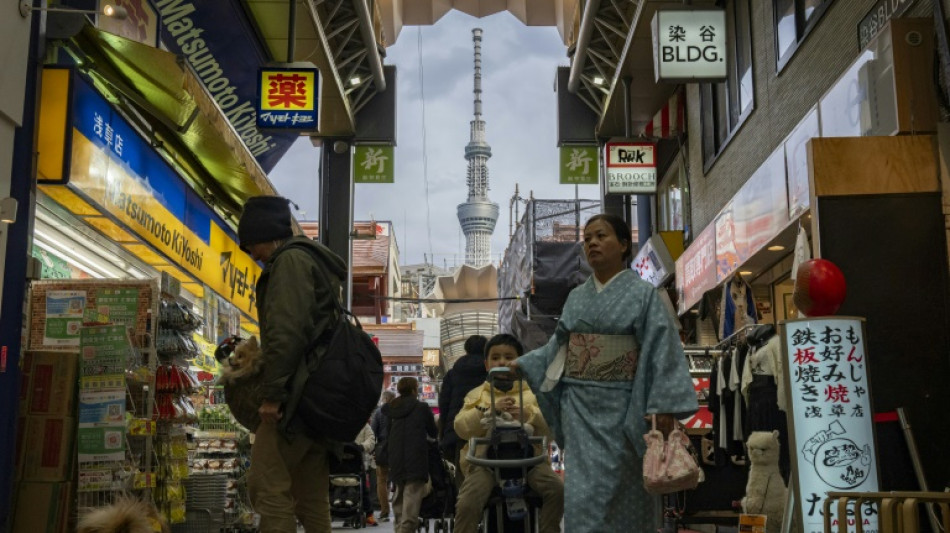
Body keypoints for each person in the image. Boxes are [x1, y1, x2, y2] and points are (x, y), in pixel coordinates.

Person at [510, 214, 698, 532]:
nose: (592, 243)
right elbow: (558, 349)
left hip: (627, 408)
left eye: (601, 236)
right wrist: (523, 363)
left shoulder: (643, 295)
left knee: (628, 493)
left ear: (624, 245)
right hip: (579, 408)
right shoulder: (575, 298)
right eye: (587, 239)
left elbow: (662, 347)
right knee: (583, 498)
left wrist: (662, 405)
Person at [238, 195, 348, 532]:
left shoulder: (290, 263)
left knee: (266, 484)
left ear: (268, 236)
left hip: (296, 398)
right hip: (318, 399)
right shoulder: (313, 262)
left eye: (252, 245)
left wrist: (273, 395)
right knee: (310, 494)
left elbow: (287, 332)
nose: (253, 255)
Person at [453, 334, 564, 533]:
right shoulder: (477, 395)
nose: (502, 362)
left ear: (519, 362)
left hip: (531, 462)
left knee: (557, 491)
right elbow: (461, 427)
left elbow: (553, 428)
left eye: (508, 357)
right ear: (487, 364)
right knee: (467, 503)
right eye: (495, 358)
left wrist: (529, 414)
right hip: (485, 465)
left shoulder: (534, 394)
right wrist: (488, 412)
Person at [384, 377, 438, 533]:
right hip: (416, 457)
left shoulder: (391, 409)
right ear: (414, 390)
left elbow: (388, 434)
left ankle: (399, 528)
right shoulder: (421, 407)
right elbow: (433, 432)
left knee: (399, 494)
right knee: (412, 496)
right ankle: (406, 530)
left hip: (396, 458)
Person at [438, 334, 488, 478]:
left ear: (466, 349)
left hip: (458, 431)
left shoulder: (453, 374)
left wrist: (444, 434)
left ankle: (463, 498)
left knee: (462, 474)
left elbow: (444, 405)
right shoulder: (491, 372)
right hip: (486, 429)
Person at [370, 390, 396, 522]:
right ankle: (400, 509)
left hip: (383, 449)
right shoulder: (399, 412)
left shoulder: (379, 412)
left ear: (384, 398)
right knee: (399, 479)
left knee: (381, 480)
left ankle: (385, 510)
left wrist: (373, 450)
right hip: (398, 449)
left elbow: (372, 432)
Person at [354, 422, 379, 526]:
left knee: (363, 486)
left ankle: (369, 514)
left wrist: (362, 447)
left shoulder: (363, 425)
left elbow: (371, 439)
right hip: (339, 462)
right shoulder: (339, 421)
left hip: (357, 462)